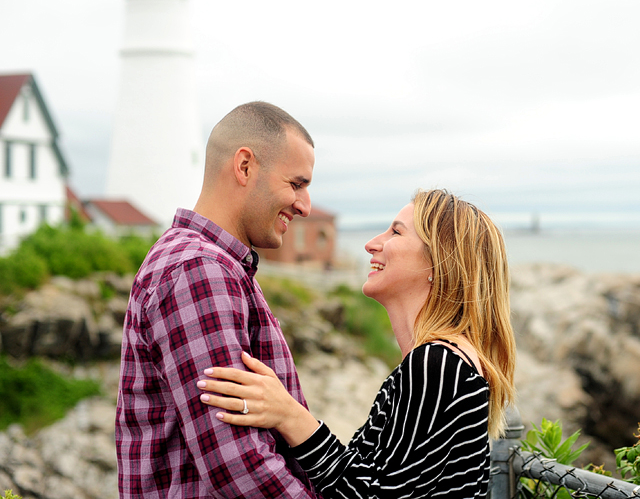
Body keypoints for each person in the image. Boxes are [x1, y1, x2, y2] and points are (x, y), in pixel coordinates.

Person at [196, 189, 517, 498]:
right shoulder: (439, 361)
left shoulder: (439, 365)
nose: (371, 244)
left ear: (438, 263)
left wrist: (289, 416)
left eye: (396, 233)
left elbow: (372, 495)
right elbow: (373, 480)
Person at [116, 101, 321, 498]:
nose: (305, 206)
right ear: (244, 166)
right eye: (296, 184)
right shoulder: (198, 270)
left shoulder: (212, 265)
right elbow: (235, 464)